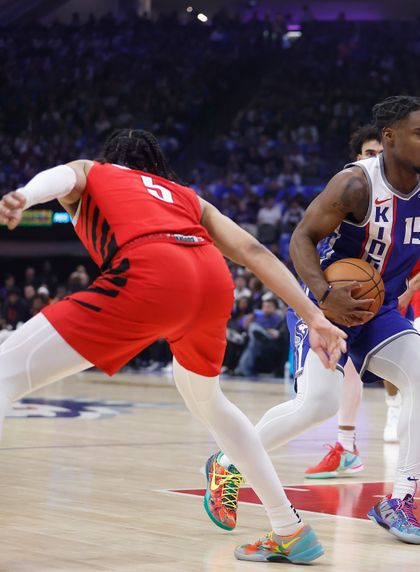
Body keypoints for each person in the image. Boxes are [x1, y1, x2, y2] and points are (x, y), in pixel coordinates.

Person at [0, 129, 347, 564]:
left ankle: (286, 524)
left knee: (4, 373)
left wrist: (24, 196)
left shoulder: (96, 172)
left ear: (112, 160)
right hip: (210, 280)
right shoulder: (183, 194)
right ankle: (289, 528)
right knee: (210, 403)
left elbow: (64, 177)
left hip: (152, 273)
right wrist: (314, 317)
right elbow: (252, 249)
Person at [202, 96, 420, 545]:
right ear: (388, 137)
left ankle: (401, 500)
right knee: (319, 404)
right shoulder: (354, 184)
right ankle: (227, 465)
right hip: (326, 305)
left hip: (379, 307)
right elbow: (301, 238)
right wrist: (325, 295)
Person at [303, 125, 420, 480]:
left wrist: (414, 285)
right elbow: (307, 238)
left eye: (379, 154)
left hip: (408, 288)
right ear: (358, 159)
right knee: (345, 372)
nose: (376, 160)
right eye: (369, 155)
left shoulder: (418, 188)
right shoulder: (352, 189)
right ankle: (347, 444)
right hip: (360, 289)